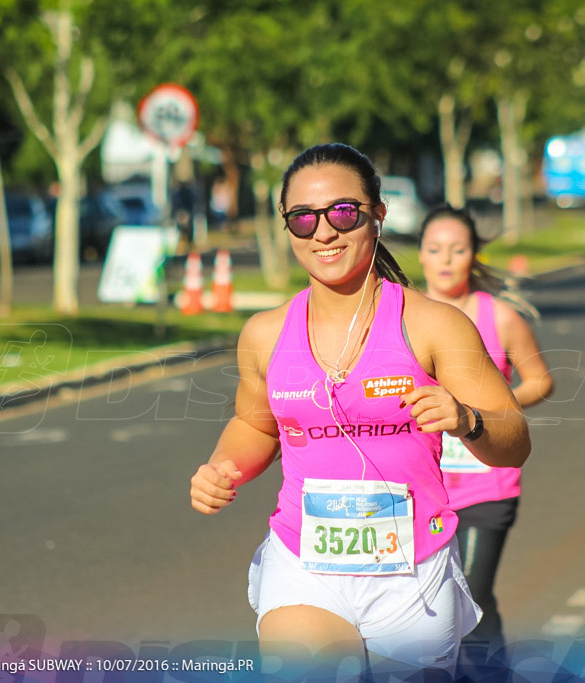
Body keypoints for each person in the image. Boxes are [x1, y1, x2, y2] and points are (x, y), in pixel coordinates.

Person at [189, 143, 531, 678]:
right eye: (302, 218)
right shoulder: (265, 333)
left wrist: (468, 419)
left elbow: (514, 442)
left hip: (411, 575)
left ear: (378, 212)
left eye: (342, 212)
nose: (323, 232)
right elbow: (255, 424)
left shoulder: (433, 326)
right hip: (304, 564)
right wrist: (222, 468)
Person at [418, 204, 554, 670]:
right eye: (435, 249)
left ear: (473, 256)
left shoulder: (498, 318)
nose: (446, 259)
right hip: (419, 489)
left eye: (457, 249)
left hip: (485, 483)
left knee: (472, 596)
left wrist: (487, 415)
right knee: (425, 605)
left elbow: (539, 380)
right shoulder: (406, 316)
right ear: (420, 255)